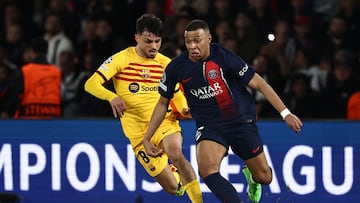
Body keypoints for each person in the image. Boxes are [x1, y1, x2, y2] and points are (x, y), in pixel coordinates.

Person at [143, 19, 303, 203]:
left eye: (197, 40)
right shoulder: (176, 67)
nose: (193, 46)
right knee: (206, 170)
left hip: (240, 121)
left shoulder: (224, 56)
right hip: (210, 126)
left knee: (265, 177)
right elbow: (163, 103)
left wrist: (286, 113)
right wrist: (147, 138)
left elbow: (259, 83)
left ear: (209, 38)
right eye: (188, 42)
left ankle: (252, 177)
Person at [84, 13, 202, 203]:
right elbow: (91, 84)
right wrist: (111, 97)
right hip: (138, 134)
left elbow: (177, 92)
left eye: (157, 41)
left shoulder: (166, 64)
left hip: (165, 122)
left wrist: (183, 108)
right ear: (137, 38)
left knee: (175, 153)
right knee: (174, 188)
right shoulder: (121, 59)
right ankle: (176, 177)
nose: (154, 46)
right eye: (148, 41)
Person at [1, 37, 62, 119]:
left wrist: (5, 112)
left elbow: (12, 96)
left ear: (31, 51)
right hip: (52, 118)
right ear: (47, 51)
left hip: (28, 119)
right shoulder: (57, 72)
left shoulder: (25, 71)